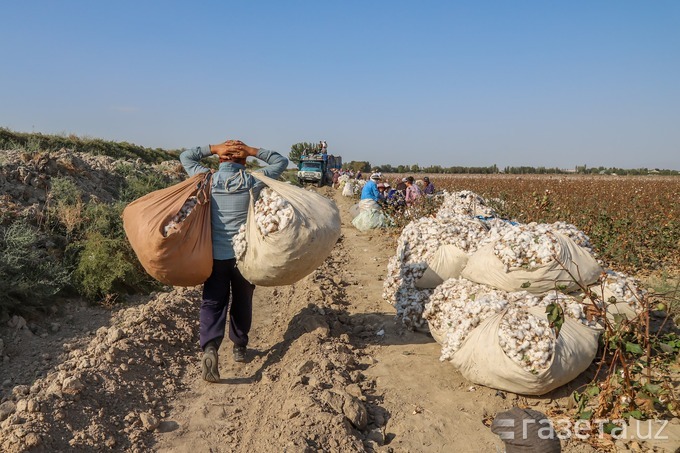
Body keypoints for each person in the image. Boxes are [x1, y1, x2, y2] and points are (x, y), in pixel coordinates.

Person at [180, 139, 288, 382]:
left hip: (214, 256)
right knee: (242, 300)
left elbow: (186, 157)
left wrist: (213, 148)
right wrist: (252, 151)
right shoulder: (252, 181)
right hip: (244, 257)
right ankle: (239, 347)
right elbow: (281, 161)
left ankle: (210, 347)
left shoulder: (207, 179)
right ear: (244, 161)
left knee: (212, 302)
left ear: (220, 160)